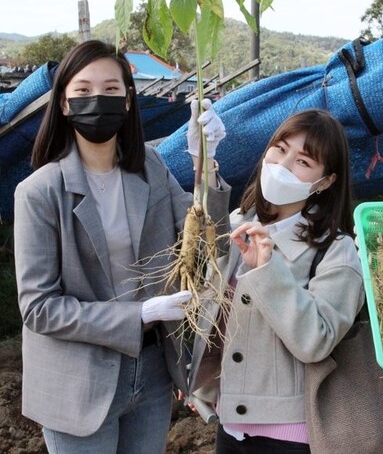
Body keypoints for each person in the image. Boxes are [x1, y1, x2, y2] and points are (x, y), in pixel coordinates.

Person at [13, 39, 231, 453]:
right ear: (63, 104)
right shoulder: (40, 192)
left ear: (129, 101)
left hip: (149, 373)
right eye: (83, 91)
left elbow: (207, 244)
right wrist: (140, 314)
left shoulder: (150, 170)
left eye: (112, 90)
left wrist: (207, 161)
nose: (98, 99)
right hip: (79, 380)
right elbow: (39, 308)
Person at [186, 109, 365, 454]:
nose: (283, 165)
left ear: (325, 181)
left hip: (289, 435)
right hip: (228, 424)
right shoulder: (240, 223)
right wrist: (204, 158)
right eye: (280, 150)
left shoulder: (336, 250)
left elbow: (317, 340)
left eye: (303, 161)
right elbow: (204, 237)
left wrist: (267, 270)